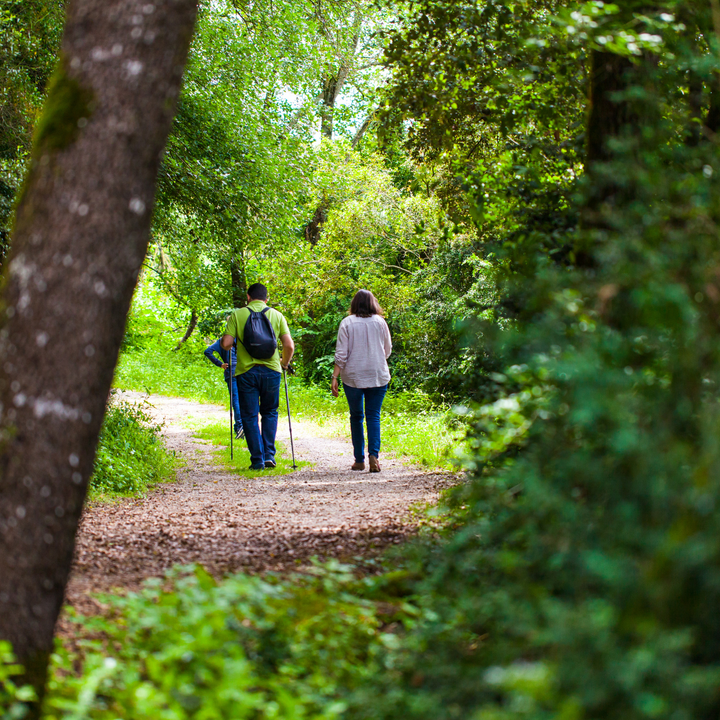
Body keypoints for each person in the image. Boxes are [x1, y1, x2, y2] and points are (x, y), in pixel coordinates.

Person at [221, 283, 294, 470]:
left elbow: (226, 344)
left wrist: (232, 337)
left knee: (249, 415)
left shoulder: (238, 315)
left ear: (248, 297)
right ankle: (269, 454)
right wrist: (284, 364)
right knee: (270, 412)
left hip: (246, 372)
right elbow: (289, 346)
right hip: (271, 371)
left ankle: (257, 460)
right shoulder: (277, 315)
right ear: (266, 299)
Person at [331, 289, 392, 473]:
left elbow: (341, 354)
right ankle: (374, 456)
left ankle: (359, 460)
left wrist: (334, 376)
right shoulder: (381, 323)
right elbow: (387, 350)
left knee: (356, 416)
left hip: (352, 377)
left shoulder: (347, 323)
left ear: (354, 304)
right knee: (373, 416)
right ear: (373, 303)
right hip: (377, 374)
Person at [203, 333, 244, 440]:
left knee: (235, 399)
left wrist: (220, 364)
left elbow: (208, 351)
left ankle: (240, 427)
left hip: (231, 371)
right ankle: (244, 426)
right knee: (245, 399)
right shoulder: (242, 339)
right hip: (243, 371)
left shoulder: (223, 340)